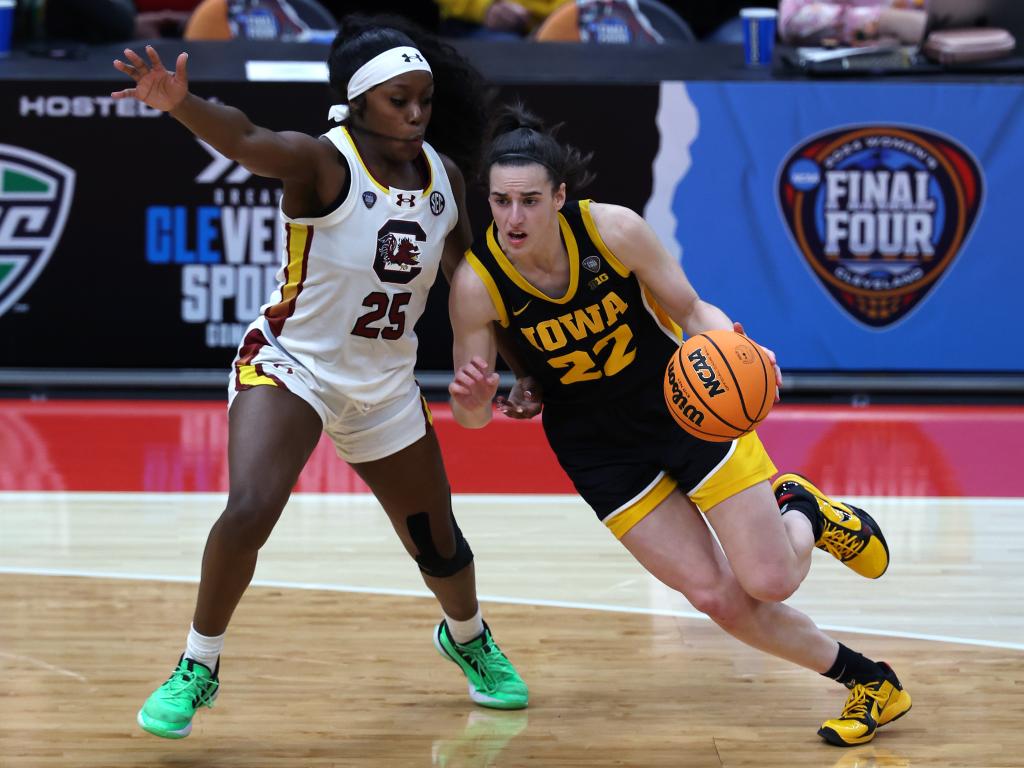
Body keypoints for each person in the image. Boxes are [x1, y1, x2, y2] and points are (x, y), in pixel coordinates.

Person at [111, 14, 529, 739]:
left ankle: (468, 639)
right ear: (361, 100)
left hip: (386, 384)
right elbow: (246, 139)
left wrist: (522, 368)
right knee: (250, 508)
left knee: (439, 542)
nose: (416, 113)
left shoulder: (444, 176)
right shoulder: (323, 163)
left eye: (424, 100)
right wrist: (181, 104)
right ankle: (197, 666)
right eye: (400, 100)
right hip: (293, 365)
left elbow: (471, 274)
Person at [447, 103, 913, 748]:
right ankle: (872, 683)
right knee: (717, 597)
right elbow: (471, 420)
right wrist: (475, 398)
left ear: (559, 196)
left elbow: (693, 311)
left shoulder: (613, 231)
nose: (513, 217)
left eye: (529, 200)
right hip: (597, 448)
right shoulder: (477, 284)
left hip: (683, 406)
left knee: (770, 579)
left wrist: (744, 349)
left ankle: (804, 509)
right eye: (500, 201)